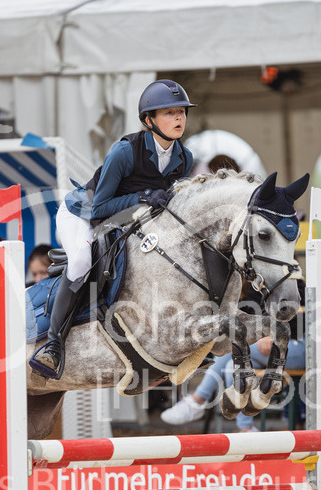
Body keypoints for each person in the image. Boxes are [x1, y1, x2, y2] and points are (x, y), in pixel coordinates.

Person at [29, 79, 196, 379]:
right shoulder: (125, 152)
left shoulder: (184, 159)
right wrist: (143, 196)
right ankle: (53, 343)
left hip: (125, 219)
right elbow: (99, 210)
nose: (179, 118)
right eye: (169, 112)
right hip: (82, 213)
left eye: (181, 112)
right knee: (81, 260)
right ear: (149, 120)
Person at [161, 211, 321, 431]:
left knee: (229, 352)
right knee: (229, 361)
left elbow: (301, 314)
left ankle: (200, 402)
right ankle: (239, 425)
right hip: (306, 343)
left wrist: (270, 334)